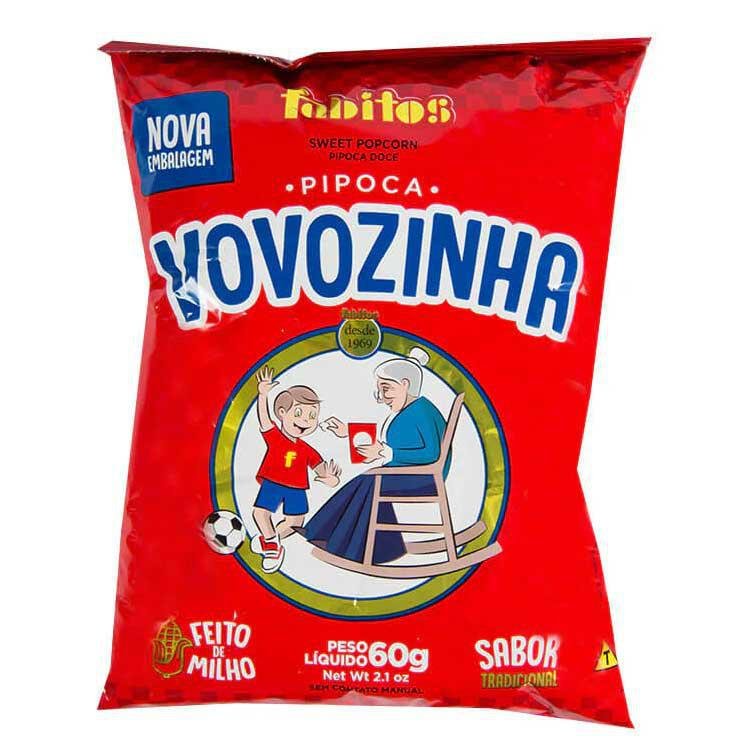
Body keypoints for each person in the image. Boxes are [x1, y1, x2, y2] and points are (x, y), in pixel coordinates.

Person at [302, 347, 450, 565]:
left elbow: (431, 453)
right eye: (379, 391)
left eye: (386, 389)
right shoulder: (409, 410)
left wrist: (384, 452)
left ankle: (337, 538)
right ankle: (338, 537)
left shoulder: (421, 411)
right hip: (410, 474)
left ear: (405, 384)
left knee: (370, 481)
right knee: (369, 480)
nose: (381, 398)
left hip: (426, 477)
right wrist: (348, 431)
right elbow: (390, 438)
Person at [250, 366, 341, 573]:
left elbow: (320, 468)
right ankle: (273, 549)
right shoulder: (275, 437)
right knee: (260, 513)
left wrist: (331, 478)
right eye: (299, 413)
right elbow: (264, 419)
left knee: (295, 522)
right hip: (273, 483)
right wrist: (263, 395)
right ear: (282, 413)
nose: (305, 421)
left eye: (312, 416)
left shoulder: (307, 449)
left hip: (297, 489)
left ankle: (269, 541)